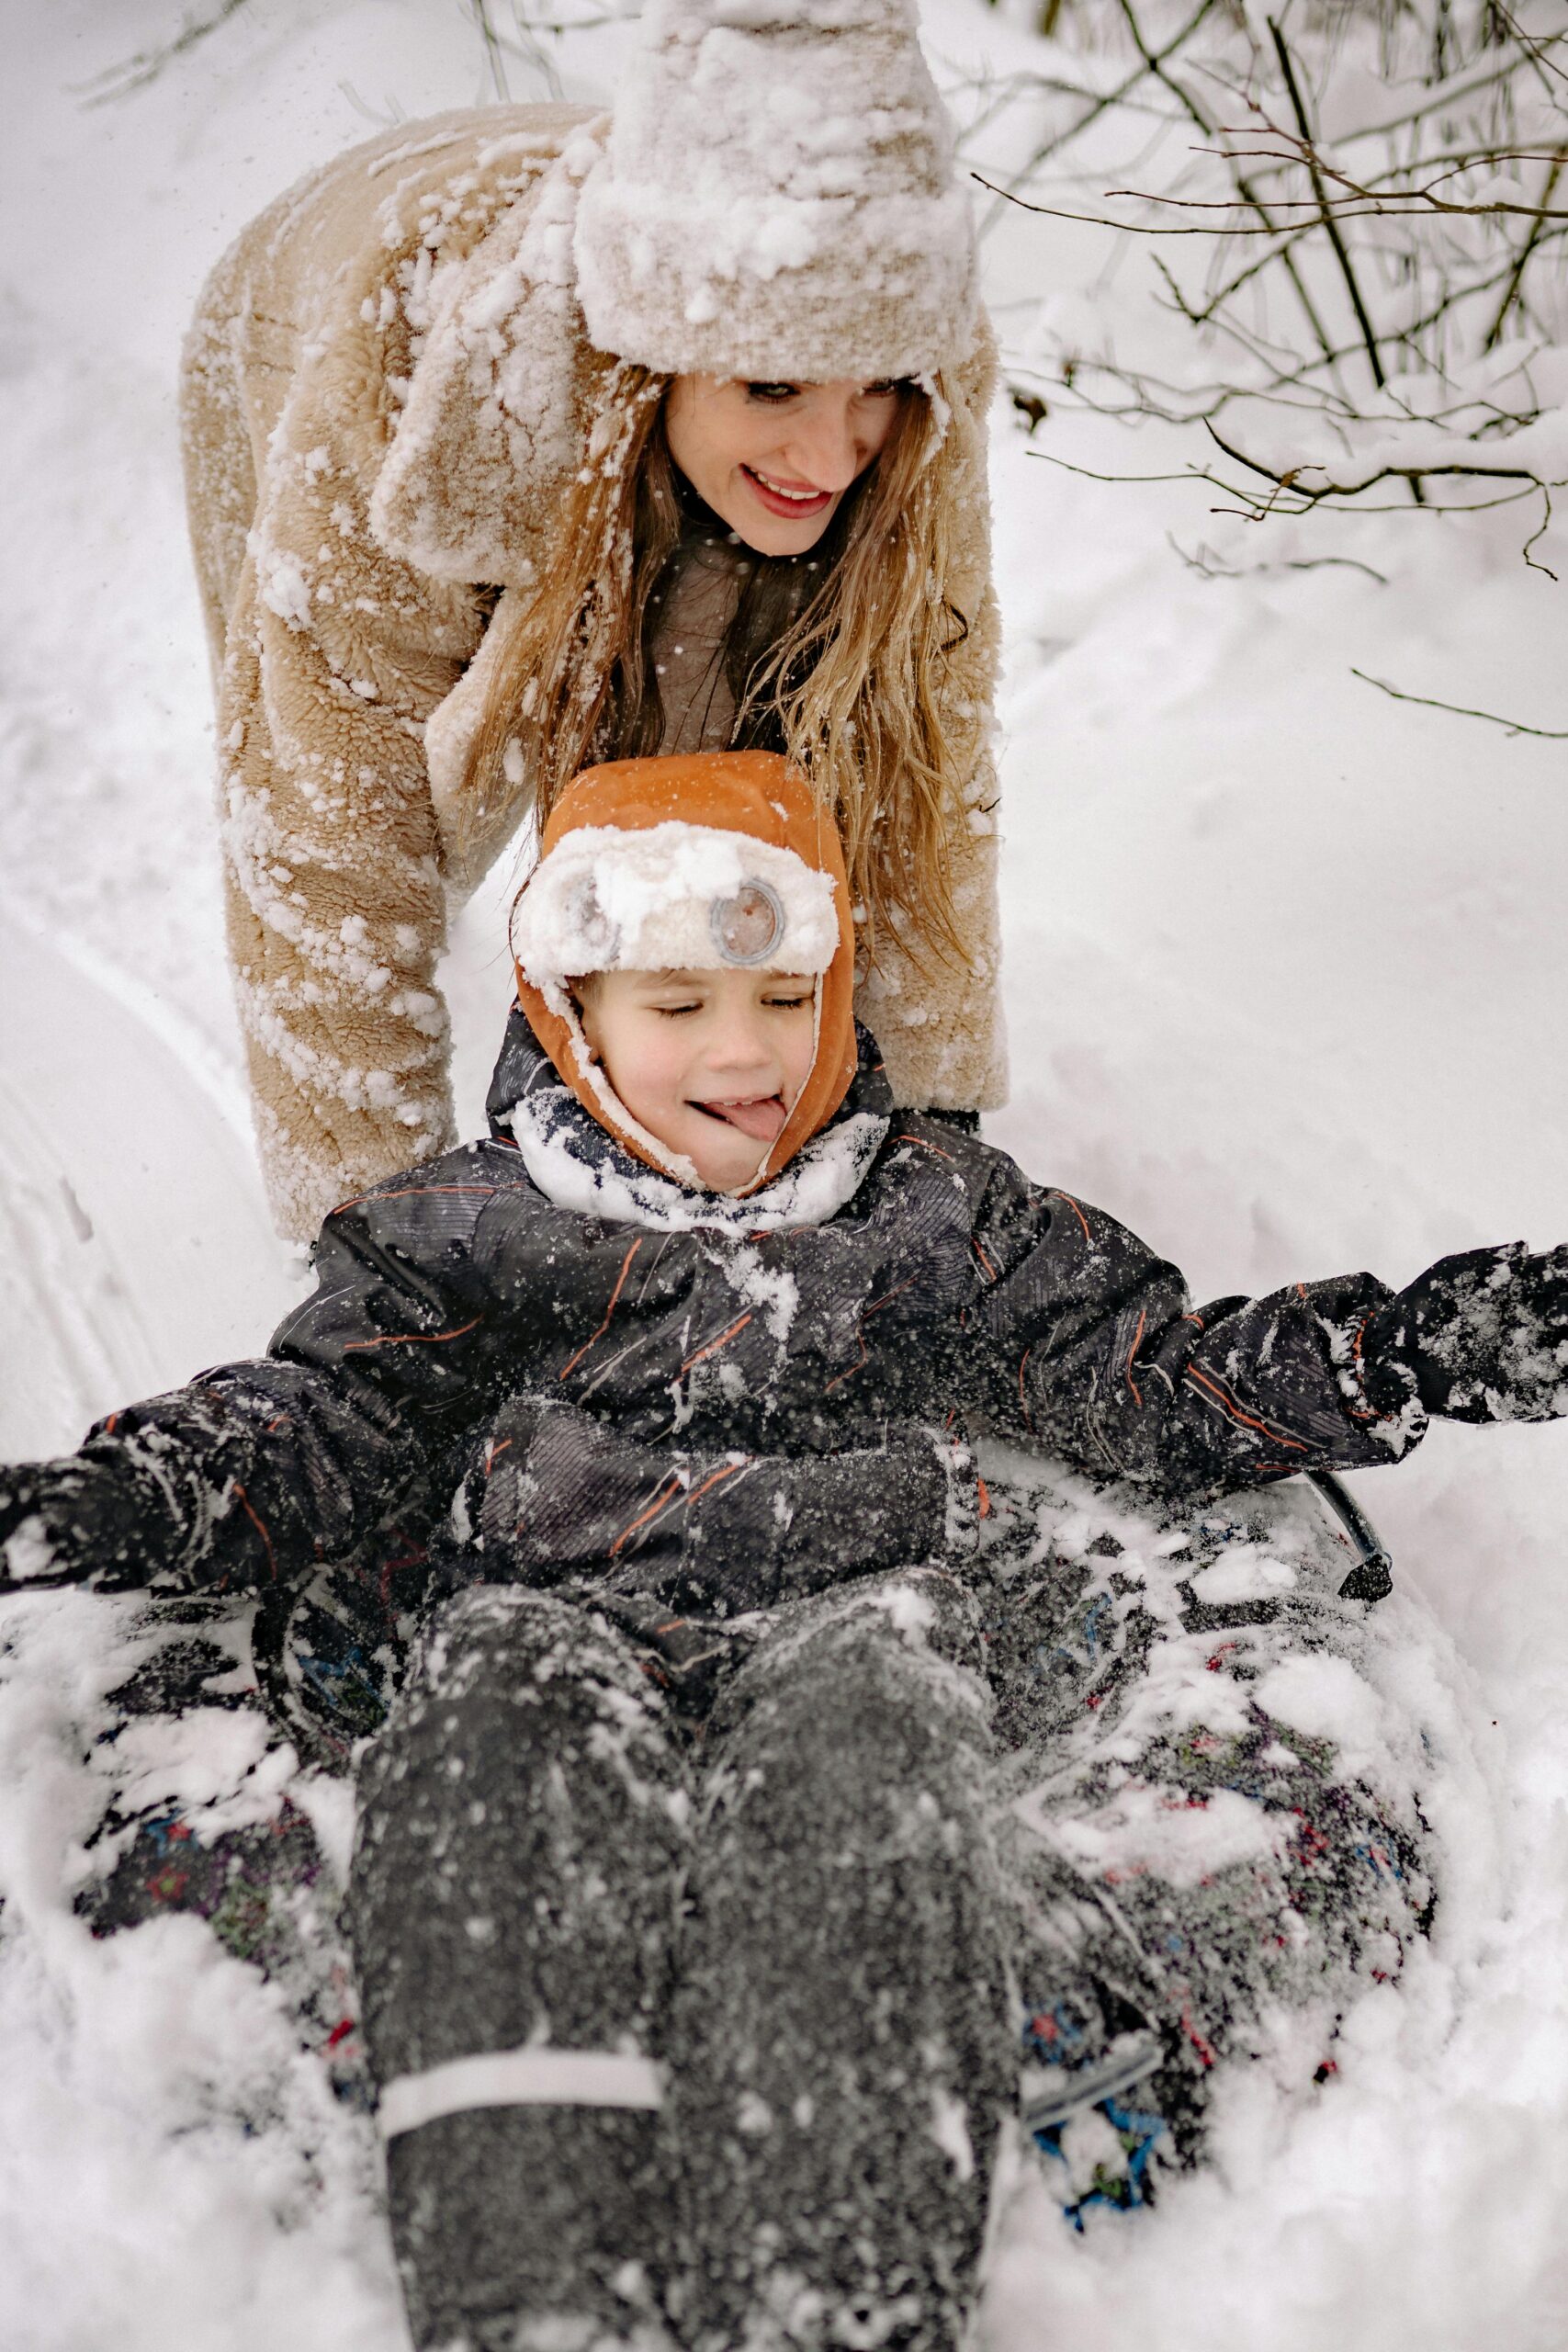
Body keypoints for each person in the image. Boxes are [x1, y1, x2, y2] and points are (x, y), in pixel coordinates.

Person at [4, 747, 1563, 2352]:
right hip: (546, 1609)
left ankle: (843, 2286)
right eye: (677, 1008)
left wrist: (1420, 1346)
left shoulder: (925, 1210)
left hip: (850, 1604)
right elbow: (319, 1423)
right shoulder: (459, 1226)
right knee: (483, 1741)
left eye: (786, 995)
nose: (747, 1056)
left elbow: (1148, 1382)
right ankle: (532, 2290)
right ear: (571, 1015)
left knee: (874, 1761)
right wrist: (123, 1499)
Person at [181, 0, 1006, 1245]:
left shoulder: (908, 375)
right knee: (355, 773)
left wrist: (938, 1153)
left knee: (733, 735)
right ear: (654, 355)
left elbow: (921, 769)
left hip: (652, 380)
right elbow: (323, 839)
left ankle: (650, 1032)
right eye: (771, 384)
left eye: (875, 390)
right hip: (307, 309)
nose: (833, 448)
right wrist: (382, 1245)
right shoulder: (405, 368)